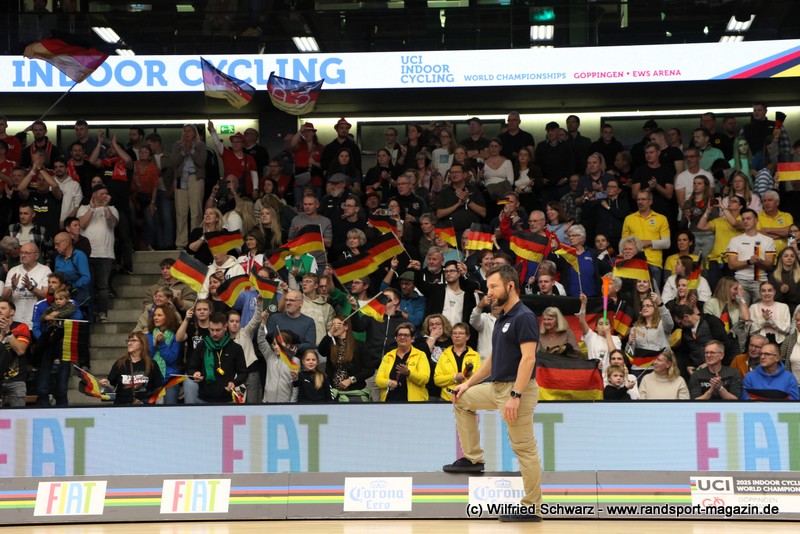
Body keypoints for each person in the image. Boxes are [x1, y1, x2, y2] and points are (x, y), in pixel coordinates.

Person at [444, 264, 543, 523]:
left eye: (493, 286)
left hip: (517, 389)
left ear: (510, 286)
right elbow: (491, 360)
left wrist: (516, 396)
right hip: (496, 387)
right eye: (488, 287)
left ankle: (532, 507)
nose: (489, 292)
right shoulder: (502, 317)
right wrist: (467, 384)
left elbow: (528, 359)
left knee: (524, 449)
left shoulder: (524, 317)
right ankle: (473, 458)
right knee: (461, 400)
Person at [76, 183, 118, 323]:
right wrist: (92, 209)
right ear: (94, 195)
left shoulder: (112, 209)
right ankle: (90, 312)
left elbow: (112, 224)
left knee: (103, 286)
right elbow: (81, 224)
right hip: (86, 254)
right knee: (88, 285)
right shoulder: (83, 208)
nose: (105, 196)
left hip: (105, 253)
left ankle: (102, 313)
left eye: (106, 193)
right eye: (102, 193)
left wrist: (105, 207)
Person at [187, 312, 247, 403]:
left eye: (218, 330)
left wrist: (234, 383)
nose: (214, 333)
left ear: (225, 327)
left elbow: (243, 373)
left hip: (227, 399)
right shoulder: (201, 346)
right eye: (212, 330)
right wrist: (195, 374)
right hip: (203, 399)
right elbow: (191, 369)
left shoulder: (235, 348)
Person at [726, 208, 775, 304]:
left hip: (760, 281)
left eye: (748, 218)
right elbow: (731, 265)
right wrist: (749, 261)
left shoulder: (768, 240)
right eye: (743, 219)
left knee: (760, 311)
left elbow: (770, 265)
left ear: (756, 220)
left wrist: (758, 261)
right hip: (740, 281)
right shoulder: (735, 240)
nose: (745, 221)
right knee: (741, 311)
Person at [99, 332, 163, 405]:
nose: (129, 343)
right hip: (121, 405)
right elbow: (112, 387)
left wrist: (156, 407)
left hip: (144, 407)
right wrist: (107, 384)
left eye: (133, 340)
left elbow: (158, 388)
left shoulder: (152, 364)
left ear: (142, 344)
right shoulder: (120, 363)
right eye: (128, 341)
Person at [171, 124, 207, 249]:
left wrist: (191, 150)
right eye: (185, 131)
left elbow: (201, 162)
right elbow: (173, 162)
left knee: (196, 211)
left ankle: (194, 241)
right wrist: (182, 152)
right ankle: (181, 242)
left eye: (189, 131)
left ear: (194, 132)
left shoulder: (200, 145)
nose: (187, 133)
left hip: (195, 178)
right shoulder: (177, 145)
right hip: (181, 178)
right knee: (181, 212)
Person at [318, 316, 371, 402]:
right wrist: (330, 333)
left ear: (346, 327)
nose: (335, 327)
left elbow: (370, 369)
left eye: (338, 324)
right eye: (333, 324)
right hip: (335, 393)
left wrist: (351, 380)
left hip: (354, 393)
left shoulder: (359, 345)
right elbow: (321, 351)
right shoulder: (331, 345)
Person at [375, 321, 430, 402]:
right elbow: (378, 380)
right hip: (390, 402)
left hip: (413, 403)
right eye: (400, 335)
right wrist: (389, 382)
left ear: (412, 339)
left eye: (406, 335)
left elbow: (424, 379)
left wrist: (409, 373)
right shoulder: (388, 356)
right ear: (396, 338)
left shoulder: (420, 355)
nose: (402, 337)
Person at [2, 242, 51, 328]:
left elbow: (46, 296)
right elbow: (4, 299)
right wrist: (13, 287)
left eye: (27, 253)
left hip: (36, 321)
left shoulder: (45, 270)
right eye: (21, 252)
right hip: (16, 320)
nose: (23, 255)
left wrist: (31, 288)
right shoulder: (13, 271)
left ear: (36, 255)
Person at [434, 322, 481, 402]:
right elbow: (437, 380)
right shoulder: (444, 355)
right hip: (446, 399)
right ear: (451, 337)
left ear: (467, 337)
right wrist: (454, 377)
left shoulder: (475, 355)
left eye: (461, 333)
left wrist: (470, 375)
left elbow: (479, 379)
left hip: (469, 399)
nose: (457, 335)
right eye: (454, 333)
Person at [146, 303, 182, 404]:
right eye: (154, 315)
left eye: (159, 315)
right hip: (151, 378)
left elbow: (171, 359)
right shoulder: (148, 336)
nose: (155, 318)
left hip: (170, 379)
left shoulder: (175, 336)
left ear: (168, 317)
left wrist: (162, 343)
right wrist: (154, 345)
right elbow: (147, 359)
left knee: (170, 407)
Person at [0, 299, 31, 407]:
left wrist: (8, 332)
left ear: (12, 312)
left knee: (19, 413)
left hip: (16, 379)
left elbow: (20, 350)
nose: (0, 311)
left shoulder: (21, 327)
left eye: (3, 308)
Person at [769, 247, 800, 312]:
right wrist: (781, 292)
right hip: (778, 309)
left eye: (792, 256)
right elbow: (771, 297)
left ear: (795, 259)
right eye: (786, 256)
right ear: (781, 259)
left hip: (797, 309)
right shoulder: (773, 275)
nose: (789, 258)